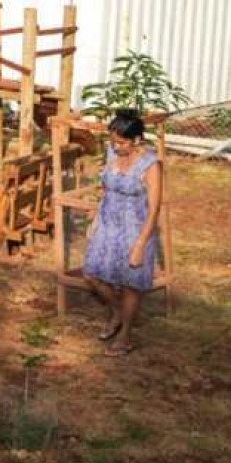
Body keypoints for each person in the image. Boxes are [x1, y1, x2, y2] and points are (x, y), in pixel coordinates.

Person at [82, 111, 164, 356]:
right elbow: (105, 190)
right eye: (113, 141)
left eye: (121, 142)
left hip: (134, 229)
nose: (115, 147)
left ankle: (126, 336)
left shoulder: (150, 165)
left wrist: (141, 243)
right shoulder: (111, 154)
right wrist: (96, 220)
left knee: (130, 284)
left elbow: (154, 208)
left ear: (137, 140)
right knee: (92, 274)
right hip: (108, 224)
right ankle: (117, 311)